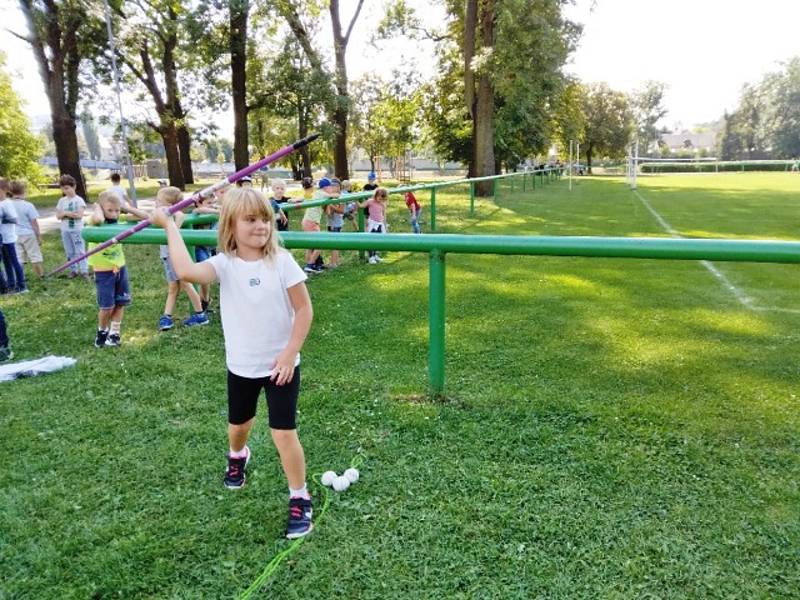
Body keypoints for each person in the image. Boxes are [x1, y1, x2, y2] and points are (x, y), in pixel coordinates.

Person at [150, 186, 315, 539]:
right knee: (239, 426)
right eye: (251, 219)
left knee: (284, 432)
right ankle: (237, 454)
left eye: (265, 219)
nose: (261, 226)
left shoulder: (281, 261)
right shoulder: (224, 265)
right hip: (241, 365)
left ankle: (299, 497)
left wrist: (288, 354)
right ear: (230, 226)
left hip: (281, 366)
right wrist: (169, 225)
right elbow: (184, 270)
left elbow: (304, 310)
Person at [87, 191, 149, 347]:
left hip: (120, 268)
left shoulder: (118, 219)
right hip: (103, 271)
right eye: (110, 210)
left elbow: (147, 217)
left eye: (117, 210)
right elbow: (99, 218)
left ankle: (114, 334)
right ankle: (102, 331)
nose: (114, 214)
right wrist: (97, 207)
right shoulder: (95, 221)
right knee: (107, 306)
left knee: (120, 302)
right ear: (101, 208)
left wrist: (126, 208)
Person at [154, 186, 209, 331]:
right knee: (173, 286)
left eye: (159, 201)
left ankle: (199, 314)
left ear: (171, 205)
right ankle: (167, 317)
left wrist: (173, 230)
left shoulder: (172, 214)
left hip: (174, 254)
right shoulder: (161, 214)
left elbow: (181, 215)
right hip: (167, 254)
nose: (156, 203)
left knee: (184, 284)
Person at [55, 174, 89, 279]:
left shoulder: (79, 200)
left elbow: (79, 215)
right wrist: (68, 214)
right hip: (65, 230)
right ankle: (73, 270)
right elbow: (58, 216)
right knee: (69, 251)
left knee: (80, 250)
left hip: (77, 229)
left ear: (73, 186)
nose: (65, 191)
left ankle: (84, 271)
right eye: (63, 189)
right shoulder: (62, 201)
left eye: (67, 188)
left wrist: (65, 214)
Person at [191, 192, 221, 313]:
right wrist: (216, 211)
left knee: (207, 278)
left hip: (208, 248)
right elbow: (197, 211)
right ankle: (201, 302)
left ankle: (206, 299)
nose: (211, 206)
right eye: (209, 203)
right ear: (198, 203)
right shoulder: (196, 212)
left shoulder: (211, 211)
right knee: (202, 276)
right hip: (199, 247)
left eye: (213, 203)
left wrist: (217, 208)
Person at [302, 177, 339, 273]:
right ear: (326, 187)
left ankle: (311, 265)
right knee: (320, 243)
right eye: (331, 186)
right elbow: (336, 195)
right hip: (311, 222)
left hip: (308, 221)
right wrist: (336, 194)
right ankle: (309, 264)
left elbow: (327, 212)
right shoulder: (323, 194)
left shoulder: (317, 194)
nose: (332, 188)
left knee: (310, 245)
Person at [10, 180, 44, 279]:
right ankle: (40, 276)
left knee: (18, 257)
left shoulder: (7, 205)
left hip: (14, 235)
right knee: (35, 256)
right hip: (29, 234)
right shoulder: (28, 205)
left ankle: (20, 277)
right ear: (24, 191)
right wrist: (39, 236)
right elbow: (34, 223)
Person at [0, 180, 26, 293]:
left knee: (14, 261)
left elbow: (15, 219)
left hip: (9, 237)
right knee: (6, 263)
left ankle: (21, 286)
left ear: (3, 190)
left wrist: (2, 219)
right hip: (2, 239)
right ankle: (11, 284)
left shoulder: (7, 203)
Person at [358, 187, 388, 264]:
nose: (380, 200)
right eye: (379, 198)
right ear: (376, 195)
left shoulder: (382, 204)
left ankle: (374, 255)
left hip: (379, 224)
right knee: (371, 240)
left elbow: (384, 215)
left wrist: (385, 225)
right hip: (372, 223)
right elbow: (361, 206)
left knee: (377, 240)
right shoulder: (370, 201)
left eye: (382, 199)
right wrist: (356, 200)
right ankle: (370, 257)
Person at [325, 179, 345, 268]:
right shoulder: (330, 197)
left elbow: (341, 211)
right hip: (330, 223)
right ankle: (335, 261)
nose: (333, 188)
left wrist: (331, 205)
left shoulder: (341, 197)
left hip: (336, 224)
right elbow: (328, 213)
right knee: (333, 243)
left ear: (339, 187)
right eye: (332, 186)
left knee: (334, 244)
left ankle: (333, 263)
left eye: (335, 186)